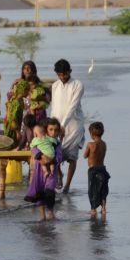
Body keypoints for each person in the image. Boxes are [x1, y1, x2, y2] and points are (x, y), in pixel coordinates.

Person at [49, 59, 85, 193]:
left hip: (74, 126)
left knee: (71, 157)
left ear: (70, 71)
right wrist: (53, 125)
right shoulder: (55, 86)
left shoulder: (78, 85)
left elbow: (73, 106)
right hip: (57, 127)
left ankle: (67, 186)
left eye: (65, 74)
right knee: (54, 155)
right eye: (60, 75)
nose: (62, 77)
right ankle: (59, 175)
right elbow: (54, 107)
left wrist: (63, 125)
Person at [25, 118, 62, 221]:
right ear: (46, 130)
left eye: (56, 130)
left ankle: (50, 212)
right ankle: (42, 215)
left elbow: (59, 156)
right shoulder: (39, 140)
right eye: (51, 129)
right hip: (39, 171)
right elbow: (33, 149)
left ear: (59, 131)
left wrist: (52, 159)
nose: (53, 132)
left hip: (51, 172)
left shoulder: (56, 143)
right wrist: (41, 156)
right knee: (40, 192)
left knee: (49, 191)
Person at [84, 121, 110, 218]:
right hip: (102, 168)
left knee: (93, 189)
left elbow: (85, 155)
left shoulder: (90, 144)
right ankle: (103, 208)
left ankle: (93, 209)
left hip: (93, 169)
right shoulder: (104, 144)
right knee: (103, 188)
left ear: (91, 134)